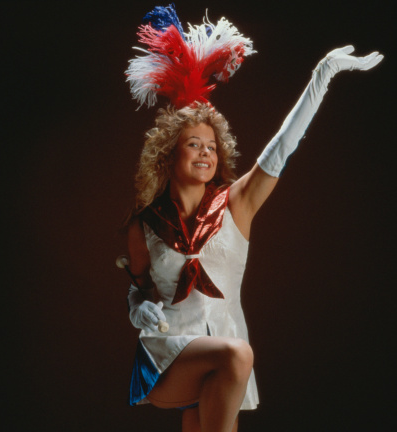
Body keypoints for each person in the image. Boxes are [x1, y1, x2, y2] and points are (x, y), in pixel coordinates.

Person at [123, 5, 383, 432]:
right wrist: (139, 310)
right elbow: (139, 289)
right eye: (194, 144)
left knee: (223, 379)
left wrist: (324, 75)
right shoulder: (145, 224)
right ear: (169, 154)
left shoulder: (235, 204)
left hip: (221, 361)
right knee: (239, 353)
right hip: (167, 358)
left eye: (212, 146)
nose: (206, 153)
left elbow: (280, 149)